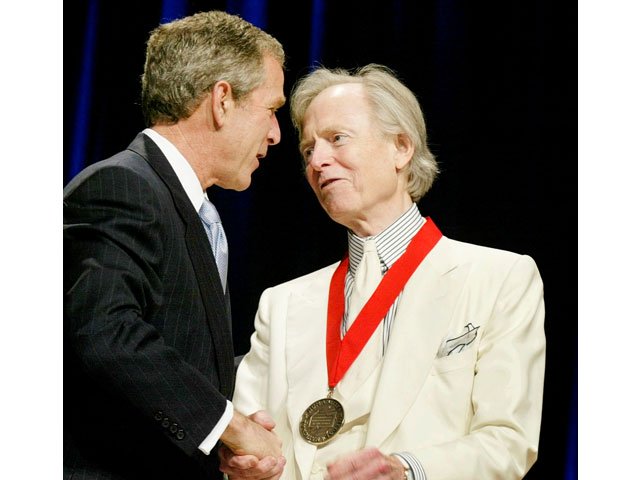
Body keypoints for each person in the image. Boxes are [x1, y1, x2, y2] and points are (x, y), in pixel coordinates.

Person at [220, 64, 546, 480]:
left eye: (337, 139)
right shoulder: (281, 303)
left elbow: (508, 442)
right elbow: (250, 445)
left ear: (401, 148)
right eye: (307, 150)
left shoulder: (499, 278)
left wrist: (407, 470)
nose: (318, 161)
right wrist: (245, 465)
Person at [64, 11, 288, 480]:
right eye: (271, 109)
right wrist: (228, 426)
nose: (275, 134)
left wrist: (225, 433)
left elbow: (181, 358)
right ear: (222, 100)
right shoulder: (120, 186)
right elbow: (106, 334)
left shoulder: (188, 207)